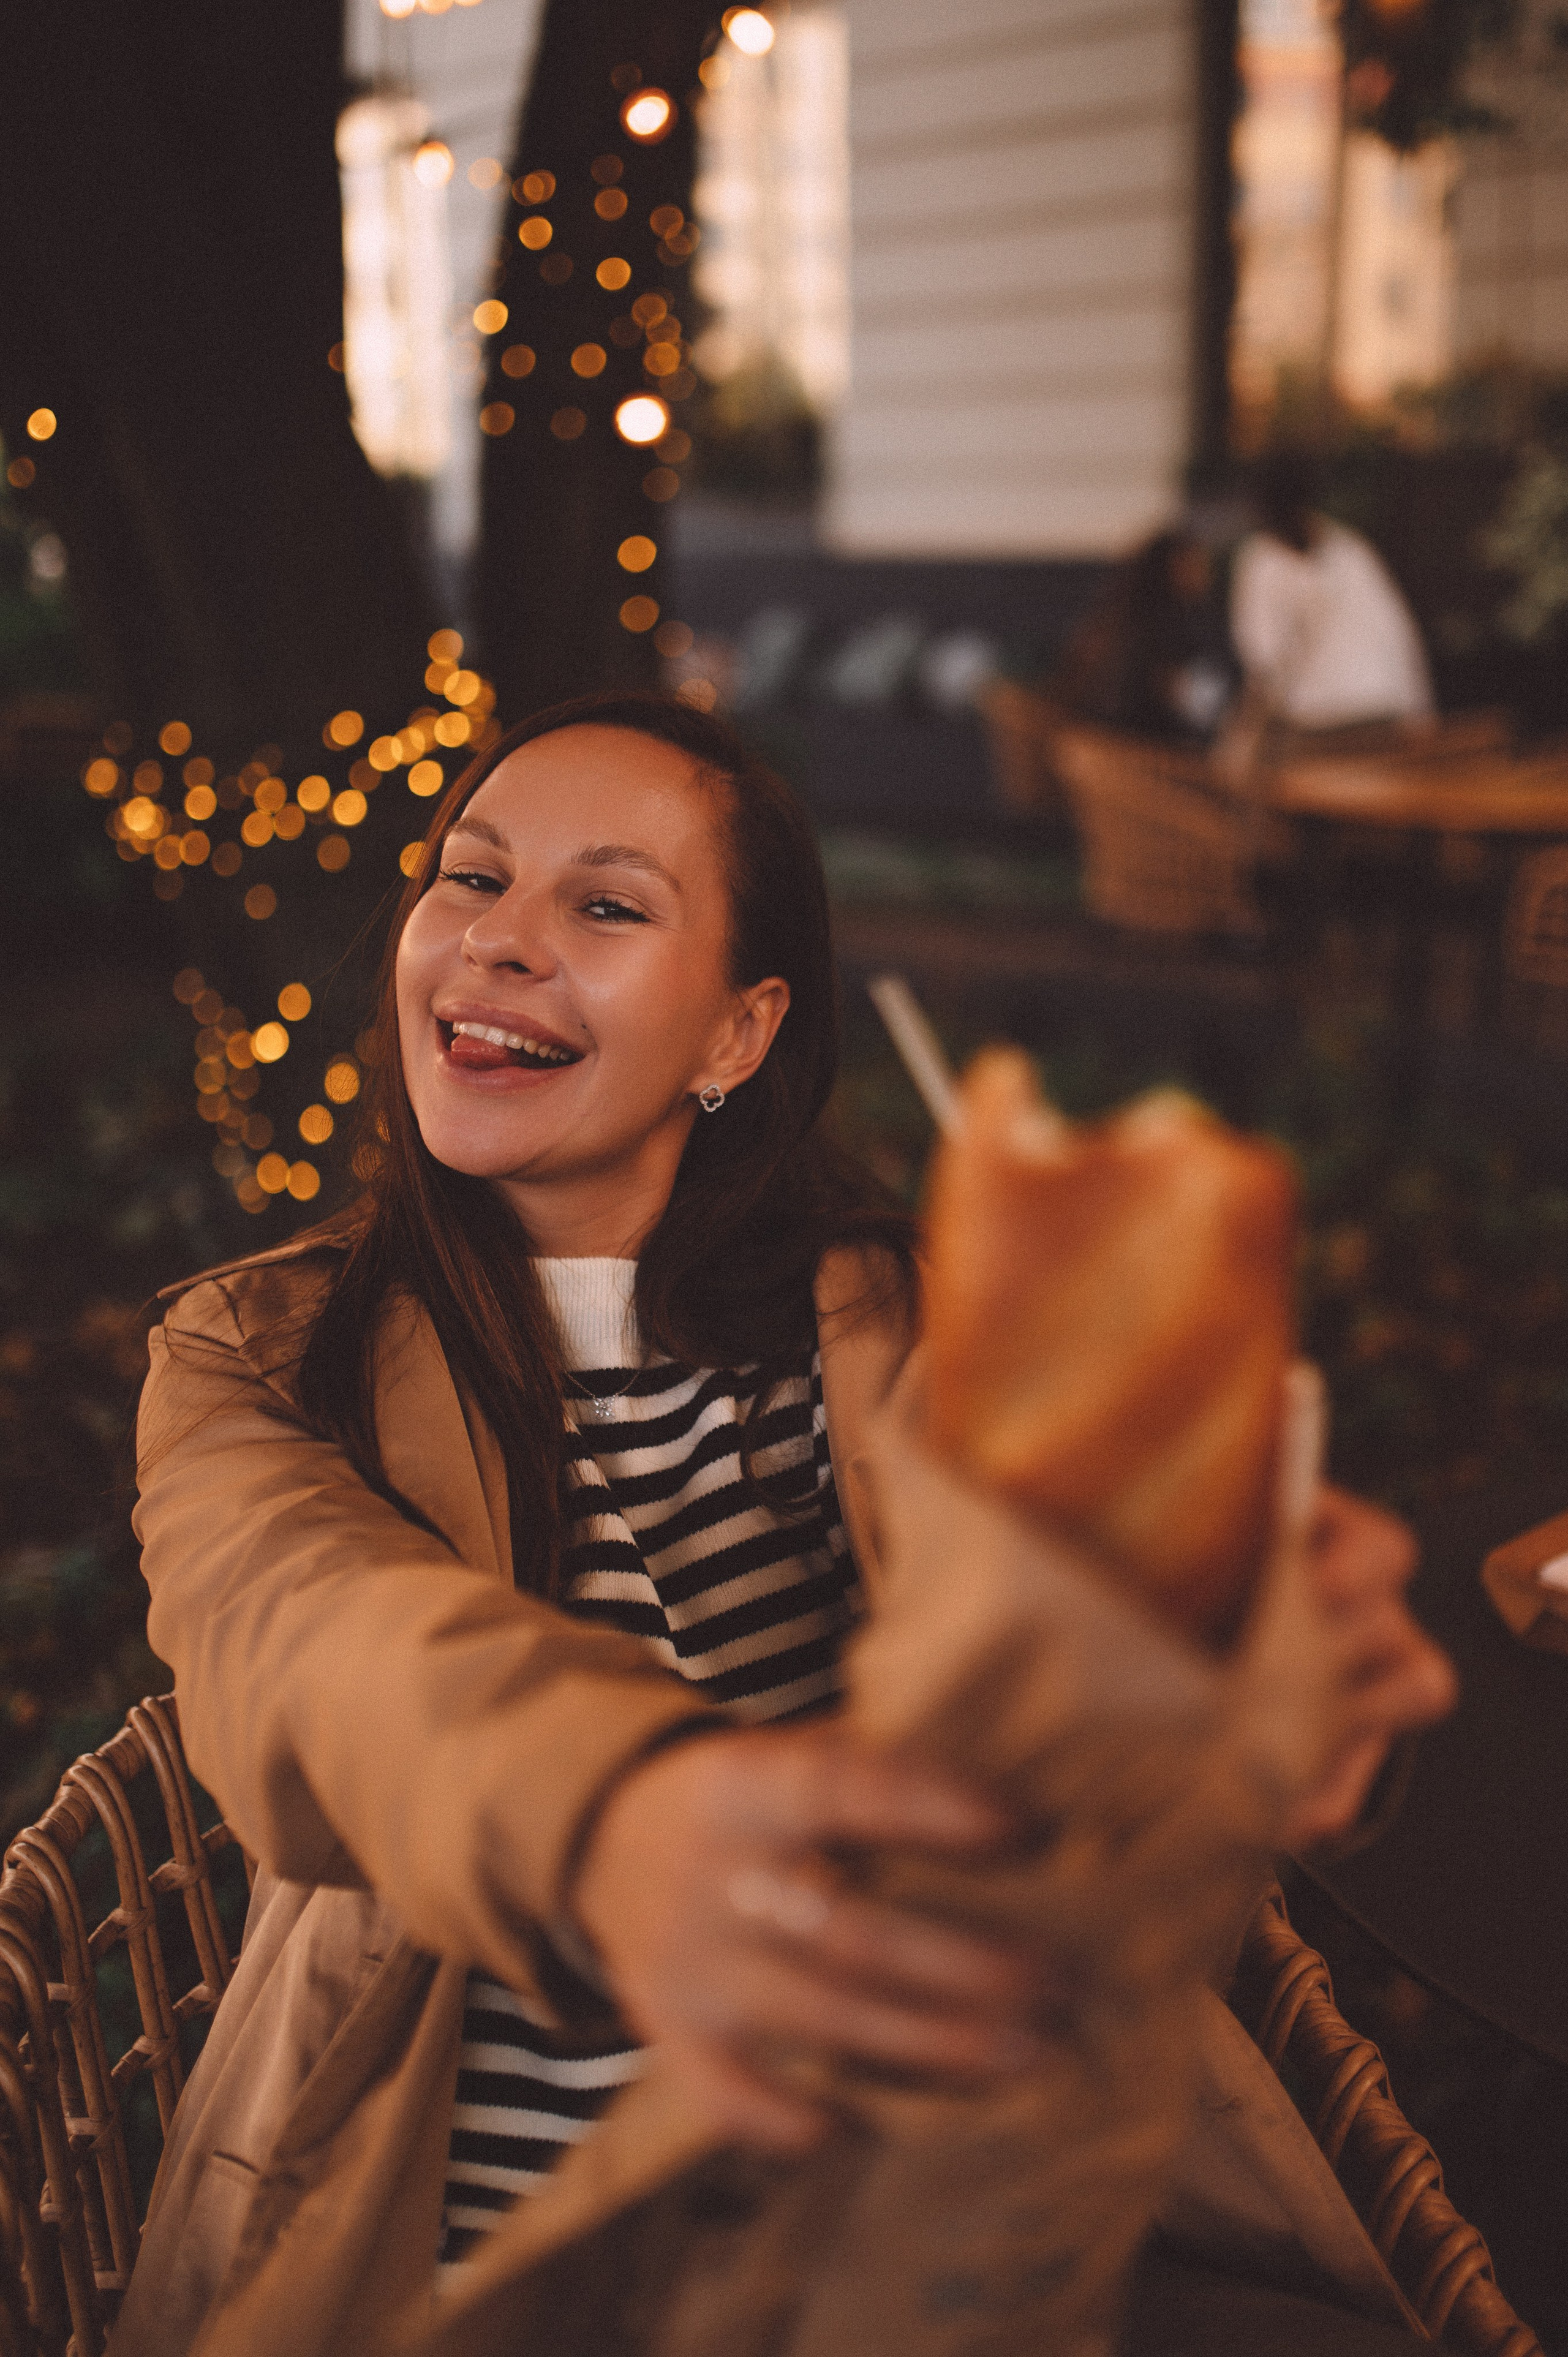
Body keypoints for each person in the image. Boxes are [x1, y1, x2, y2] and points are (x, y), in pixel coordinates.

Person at [115, 693, 1451, 2357]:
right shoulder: (255, 1353)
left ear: (738, 1036)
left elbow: (1070, 1638)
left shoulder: (898, 1316)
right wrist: (615, 1813)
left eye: (605, 906)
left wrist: (1241, 1648)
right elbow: (309, 1641)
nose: (500, 942)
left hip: (939, 2198)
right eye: (469, 879)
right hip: (481, 2253)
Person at [1229, 451, 1435, 739]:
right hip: (1388, 708)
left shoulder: (1262, 560)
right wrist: (1421, 709)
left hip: (1319, 722)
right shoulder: (1352, 550)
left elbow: (1264, 660)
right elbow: (1400, 633)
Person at [1052, 527, 1243, 747]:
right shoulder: (1165, 632)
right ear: (1175, 567)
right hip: (1142, 763)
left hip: (1099, 760)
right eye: (1197, 562)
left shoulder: (1112, 624)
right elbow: (1197, 706)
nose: (1207, 572)